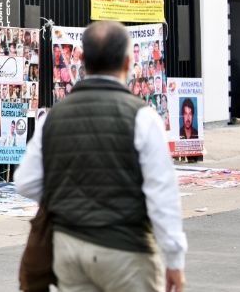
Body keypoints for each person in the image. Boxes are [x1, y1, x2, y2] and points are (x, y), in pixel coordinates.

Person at [15, 20, 186, 292]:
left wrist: (69, 196)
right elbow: (161, 193)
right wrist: (174, 259)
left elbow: (25, 181)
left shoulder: (53, 117)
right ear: (129, 62)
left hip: (69, 248)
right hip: (126, 250)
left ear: (82, 59)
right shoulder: (142, 116)